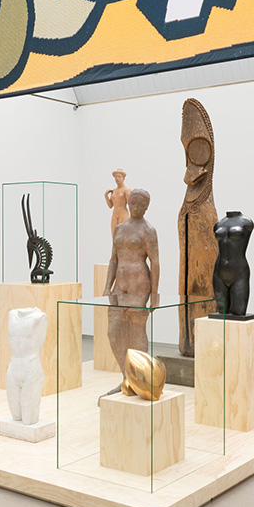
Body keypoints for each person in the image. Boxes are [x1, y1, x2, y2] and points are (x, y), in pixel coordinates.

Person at [102, 189, 160, 399]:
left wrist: (154, 293)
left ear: (146, 207)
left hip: (139, 285)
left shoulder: (148, 231)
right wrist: (107, 287)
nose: (135, 206)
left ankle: (141, 379)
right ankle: (127, 377)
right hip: (120, 286)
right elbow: (113, 259)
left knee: (136, 332)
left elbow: (154, 262)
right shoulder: (119, 229)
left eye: (140, 204)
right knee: (114, 332)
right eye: (132, 202)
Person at [104, 168, 130, 236]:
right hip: (115, 214)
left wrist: (128, 195)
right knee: (114, 235)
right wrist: (106, 196)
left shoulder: (127, 190)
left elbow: (130, 205)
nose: (117, 179)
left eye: (119, 177)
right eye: (116, 177)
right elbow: (110, 206)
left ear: (123, 178)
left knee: (123, 235)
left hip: (123, 214)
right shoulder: (114, 191)